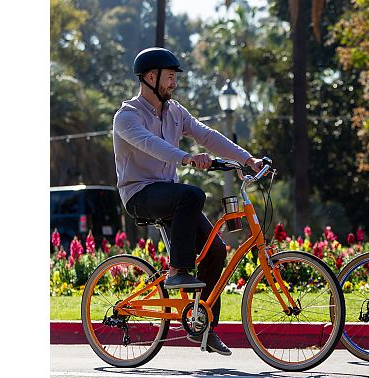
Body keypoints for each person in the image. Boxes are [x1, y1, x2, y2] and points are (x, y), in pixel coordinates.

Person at [112, 47, 264, 355]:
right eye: (169, 77)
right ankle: (177, 270)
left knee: (217, 250)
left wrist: (248, 160)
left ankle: (202, 327)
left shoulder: (175, 112)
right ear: (150, 77)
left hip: (170, 196)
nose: (174, 84)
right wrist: (186, 158)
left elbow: (207, 136)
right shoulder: (127, 116)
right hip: (140, 194)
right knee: (192, 194)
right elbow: (149, 144)